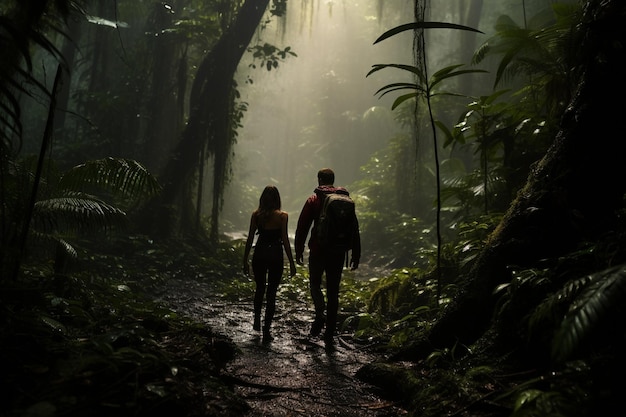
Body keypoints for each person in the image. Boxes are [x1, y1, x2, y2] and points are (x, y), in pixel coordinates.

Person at [295, 168, 361, 346]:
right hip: (338, 252)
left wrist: (299, 249)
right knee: (333, 291)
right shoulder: (345, 201)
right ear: (333, 180)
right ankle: (329, 334)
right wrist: (356, 253)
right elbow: (354, 228)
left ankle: (320, 314)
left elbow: (303, 226)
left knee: (315, 284)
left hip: (318, 250)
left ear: (319, 180)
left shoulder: (314, 200)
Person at [243, 185, 297, 342]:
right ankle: (267, 329)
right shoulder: (282, 216)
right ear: (277, 199)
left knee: (260, 288)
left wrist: (245, 260)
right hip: (275, 255)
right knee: (272, 292)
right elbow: (285, 240)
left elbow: (250, 238)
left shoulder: (256, 215)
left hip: (259, 254)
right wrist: (292, 264)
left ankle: (256, 320)